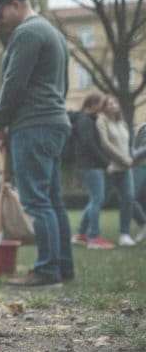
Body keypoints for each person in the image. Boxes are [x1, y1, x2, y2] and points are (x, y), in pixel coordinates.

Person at [0, 0, 73, 287]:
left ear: (16, 4)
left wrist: (0, 123)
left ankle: (47, 270)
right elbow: (63, 86)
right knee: (53, 201)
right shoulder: (53, 33)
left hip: (33, 125)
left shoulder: (27, 33)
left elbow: (14, 82)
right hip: (54, 122)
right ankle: (63, 268)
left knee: (36, 201)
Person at [96, 95, 146, 245]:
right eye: (109, 104)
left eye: (114, 103)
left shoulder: (122, 123)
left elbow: (132, 146)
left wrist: (130, 157)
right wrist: (125, 158)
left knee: (129, 198)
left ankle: (126, 232)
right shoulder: (103, 121)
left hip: (130, 166)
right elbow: (107, 144)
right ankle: (84, 231)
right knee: (102, 199)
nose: (113, 106)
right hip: (117, 166)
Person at [70, 93, 114, 249]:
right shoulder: (85, 121)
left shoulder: (87, 119)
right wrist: (105, 163)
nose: (102, 106)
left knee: (94, 199)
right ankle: (94, 237)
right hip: (90, 165)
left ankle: (81, 234)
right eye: (100, 103)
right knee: (97, 199)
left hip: (89, 165)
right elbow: (89, 145)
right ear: (92, 104)